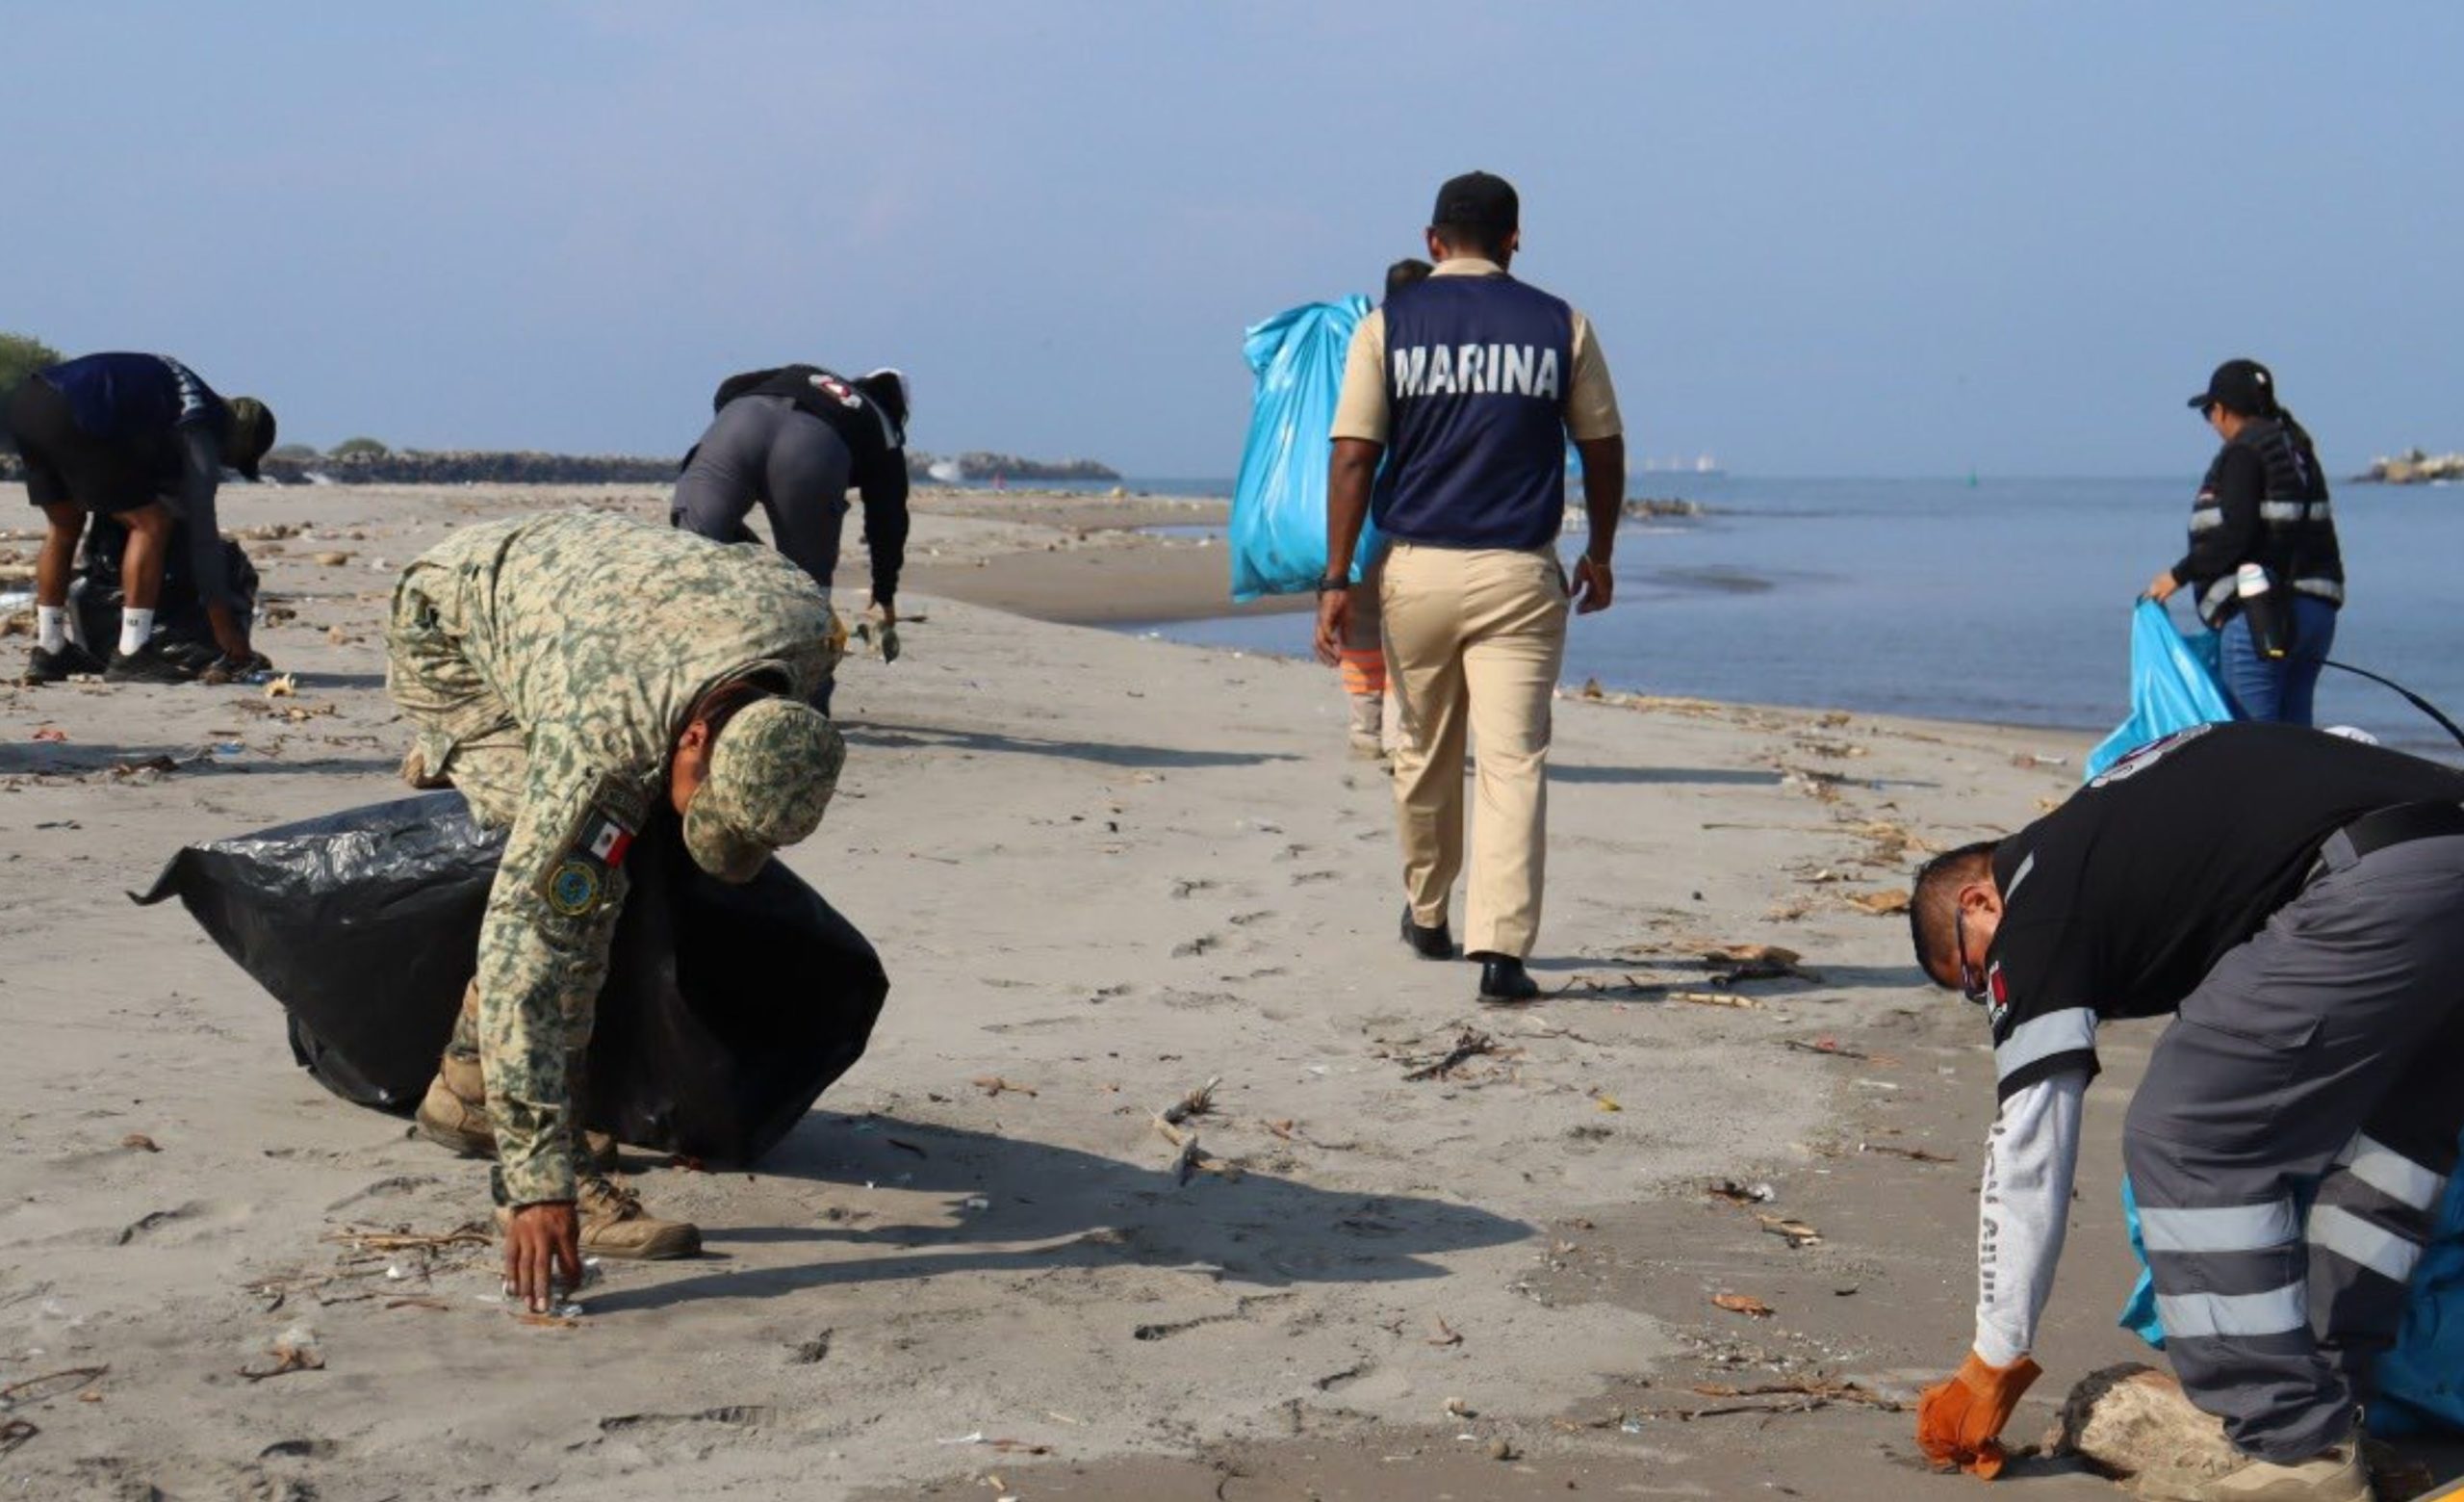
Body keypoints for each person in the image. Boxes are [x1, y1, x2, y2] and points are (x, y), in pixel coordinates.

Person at [1907, 721, 2464, 1501]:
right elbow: (2341, 739)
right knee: (2387, 1149)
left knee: (2188, 1136)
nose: (1988, 994)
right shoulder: (2120, 814)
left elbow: (2031, 1143)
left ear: (1977, 900)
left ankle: (2295, 1448)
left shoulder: (2035, 901)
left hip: (2374, 884)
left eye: (1971, 975)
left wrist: (1994, 1359)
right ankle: (2341, 1408)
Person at [387, 510, 846, 1312]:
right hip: (452, 625)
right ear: (696, 735)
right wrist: (536, 1186)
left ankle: (465, 1091)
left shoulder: (810, 631)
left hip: (587, 590)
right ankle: (521, 1131)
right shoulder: (607, 732)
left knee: (626, 852)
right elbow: (531, 946)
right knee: (581, 893)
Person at [1315, 171, 1626, 1004]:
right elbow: (1601, 445)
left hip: (1417, 566)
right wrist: (1599, 547)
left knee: (1422, 747)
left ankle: (1426, 911)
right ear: (1516, 238)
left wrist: (1337, 576)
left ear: (1432, 241)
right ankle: (1502, 952)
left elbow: (1353, 454)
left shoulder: (1388, 326)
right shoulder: (1562, 323)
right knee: (1513, 760)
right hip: (1521, 570)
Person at [7, 351, 273, 684]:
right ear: (238, 440)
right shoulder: (203, 425)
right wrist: (226, 632)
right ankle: (132, 653)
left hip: (29, 401)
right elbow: (204, 543)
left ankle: (51, 650)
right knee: (152, 524)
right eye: (231, 459)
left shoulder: (185, 394)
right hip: (75, 411)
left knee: (64, 526)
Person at [671, 364, 911, 714]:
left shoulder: (806, 374)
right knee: (808, 595)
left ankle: (680, 699)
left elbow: (729, 386)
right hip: (811, 453)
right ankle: (804, 711)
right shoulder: (882, 427)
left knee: (693, 562)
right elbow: (887, 521)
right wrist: (884, 593)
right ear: (899, 411)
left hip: (738, 425)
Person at [2147, 360, 2344, 725]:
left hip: (2263, 615)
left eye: (2209, 412)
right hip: (2317, 613)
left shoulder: (2244, 453)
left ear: (2221, 410)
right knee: (2294, 735)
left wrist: (2176, 576)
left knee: (2252, 740)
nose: (2210, 421)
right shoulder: (2296, 449)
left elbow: (2238, 532)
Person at [1333, 257, 1434, 761]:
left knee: (1360, 627)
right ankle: (1399, 737)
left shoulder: (1359, 344)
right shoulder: (1434, 351)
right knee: (1407, 633)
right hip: (1410, 519)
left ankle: (1364, 731)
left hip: (1350, 520)